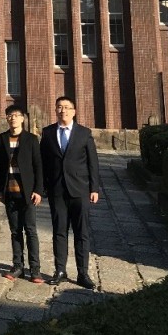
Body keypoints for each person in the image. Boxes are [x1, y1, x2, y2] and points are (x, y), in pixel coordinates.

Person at [40, 95, 100, 289]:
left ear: (74, 111)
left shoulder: (84, 133)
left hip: (80, 190)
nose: (62, 111)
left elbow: (93, 163)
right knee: (59, 232)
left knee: (81, 232)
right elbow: (42, 163)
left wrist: (94, 188)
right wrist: (42, 188)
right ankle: (60, 270)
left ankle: (83, 272)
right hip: (57, 191)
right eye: (59, 107)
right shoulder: (48, 133)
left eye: (66, 107)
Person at [0, 104, 44, 283]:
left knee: (30, 230)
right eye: (9, 115)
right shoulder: (1, 139)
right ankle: (18, 266)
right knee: (15, 231)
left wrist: (39, 190)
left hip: (28, 193)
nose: (13, 118)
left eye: (16, 115)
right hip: (9, 192)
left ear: (23, 118)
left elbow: (38, 166)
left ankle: (35, 269)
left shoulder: (31, 139)